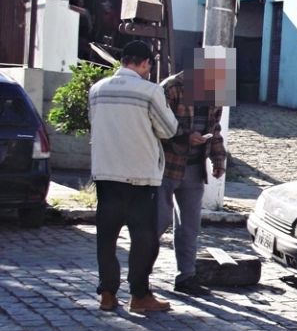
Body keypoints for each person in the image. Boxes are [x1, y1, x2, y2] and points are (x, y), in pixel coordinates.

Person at [89, 40, 179, 313]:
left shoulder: (97, 90)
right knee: (144, 239)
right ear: (144, 63)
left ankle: (107, 293)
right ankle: (139, 295)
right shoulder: (149, 91)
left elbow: (95, 123)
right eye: (149, 65)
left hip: (105, 175)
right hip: (140, 177)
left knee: (106, 237)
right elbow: (168, 129)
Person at [157, 48, 229, 296]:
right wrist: (187, 137)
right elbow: (158, 127)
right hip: (167, 166)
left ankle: (186, 276)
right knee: (158, 221)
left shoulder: (215, 92)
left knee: (189, 227)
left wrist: (218, 159)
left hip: (195, 168)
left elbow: (215, 128)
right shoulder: (171, 88)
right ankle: (140, 275)